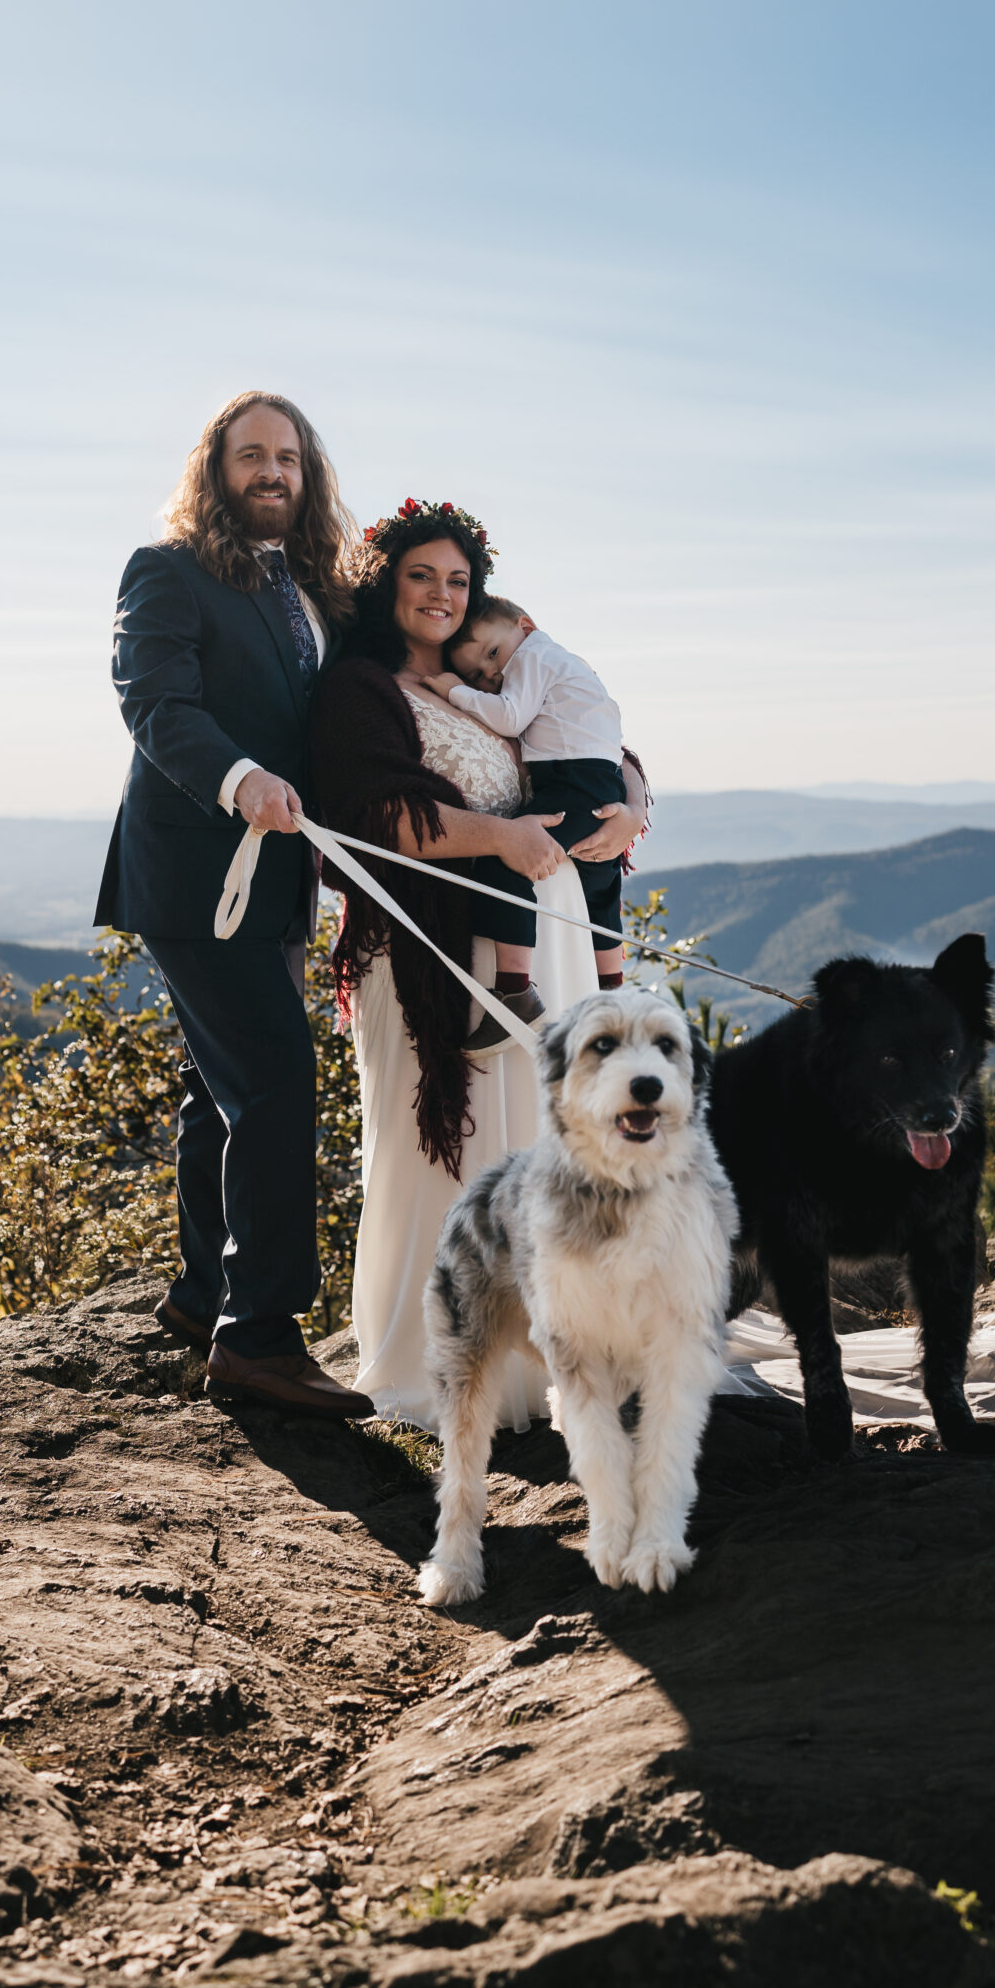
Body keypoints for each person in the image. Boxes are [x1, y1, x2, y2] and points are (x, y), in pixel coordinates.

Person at [310, 500, 649, 1427]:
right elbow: (366, 815)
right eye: (421, 575)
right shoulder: (359, 687)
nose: (441, 595)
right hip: (436, 953)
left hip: (549, 939)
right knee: (451, 1161)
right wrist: (495, 836)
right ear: (384, 583)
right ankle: (452, 1368)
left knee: (544, 1153)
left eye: (457, 579)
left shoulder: (489, 669)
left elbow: (592, 743)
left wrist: (630, 803)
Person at [93, 393, 374, 1420]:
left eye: (287, 457)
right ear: (215, 469)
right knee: (273, 1079)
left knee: (223, 1088)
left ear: (308, 474)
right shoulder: (166, 571)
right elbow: (156, 703)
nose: (271, 472)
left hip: (279, 881)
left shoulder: (314, 590)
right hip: (194, 873)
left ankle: (204, 1291)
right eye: (251, 455)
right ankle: (257, 1338)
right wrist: (240, 777)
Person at [424, 594, 631, 1023]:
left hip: (573, 779)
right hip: (595, 777)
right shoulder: (558, 661)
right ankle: (612, 990)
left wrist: (457, 691)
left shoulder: (534, 657)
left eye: (493, 653)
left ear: (526, 625)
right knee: (600, 883)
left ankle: (515, 991)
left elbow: (511, 718)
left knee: (505, 865)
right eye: (478, 675)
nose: (493, 673)